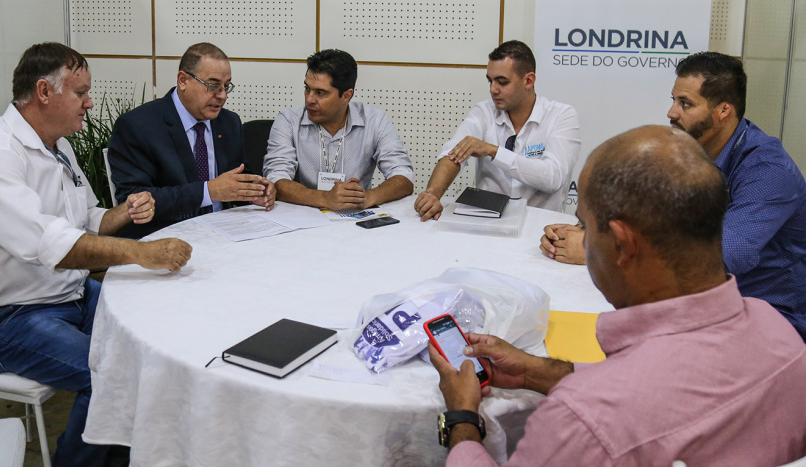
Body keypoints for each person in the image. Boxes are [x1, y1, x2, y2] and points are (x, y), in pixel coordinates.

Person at [432, 125, 806, 466]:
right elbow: (671, 397)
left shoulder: (583, 421)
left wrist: (463, 419)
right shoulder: (779, 332)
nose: (583, 240)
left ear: (623, 244)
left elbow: (628, 403)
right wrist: (535, 371)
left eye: (585, 226)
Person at [0, 42, 193, 467]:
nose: (90, 102)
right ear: (45, 92)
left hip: (68, 296)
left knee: (161, 337)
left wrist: (125, 212)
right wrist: (141, 252)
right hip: (2, 319)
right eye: (81, 93)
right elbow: (55, 245)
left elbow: (83, 219)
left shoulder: (57, 145)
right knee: (110, 376)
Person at [540, 52, 806, 340]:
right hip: (706, 302)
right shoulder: (691, 148)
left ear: (723, 111)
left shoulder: (769, 172)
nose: (672, 113)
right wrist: (588, 230)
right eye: (674, 100)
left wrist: (603, 250)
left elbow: (720, 257)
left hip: (769, 315)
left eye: (686, 104)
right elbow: (643, 209)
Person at [108, 42, 275, 238]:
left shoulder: (229, 122)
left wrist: (255, 191)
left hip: (226, 233)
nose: (222, 96)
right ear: (183, 80)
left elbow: (236, 177)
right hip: (166, 238)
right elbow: (133, 199)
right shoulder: (138, 126)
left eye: (226, 86)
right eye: (213, 85)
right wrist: (207, 191)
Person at [415, 41, 580, 221]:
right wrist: (432, 193)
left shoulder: (562, 115)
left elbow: (553, 178)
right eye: (490, 81)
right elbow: (453, 153)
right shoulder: (483, 112)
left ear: (528, 81)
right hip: (486, 223)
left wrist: (493, 151)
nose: (493, 89)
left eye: (502, 82)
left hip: (541, 228)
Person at [264, 49, 414, 209]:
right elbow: (275, 179)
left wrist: (368, 197)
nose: (309, 99)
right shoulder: (288, 120)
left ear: (346, 95)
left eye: (320, 93)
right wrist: (324, 198)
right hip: (303, 214)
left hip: (354, 217)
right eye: (307, 88)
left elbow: (404, 177)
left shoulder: (374, 120)